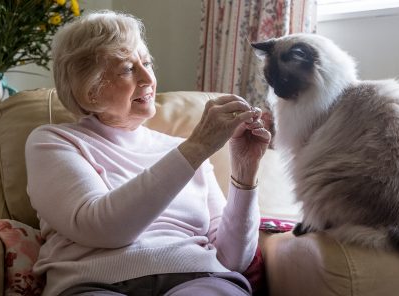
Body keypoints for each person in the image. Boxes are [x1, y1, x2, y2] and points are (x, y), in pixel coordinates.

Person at [24, 10, 271, 296]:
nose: (147, 78)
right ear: (89, 89)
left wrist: (244, 171)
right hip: (94, 284)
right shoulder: (54, 141)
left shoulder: (184, 152)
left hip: (199, 279)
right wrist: (197, 147)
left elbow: (233, 259)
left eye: (147, 63)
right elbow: (102, 227)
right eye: (128, 68)